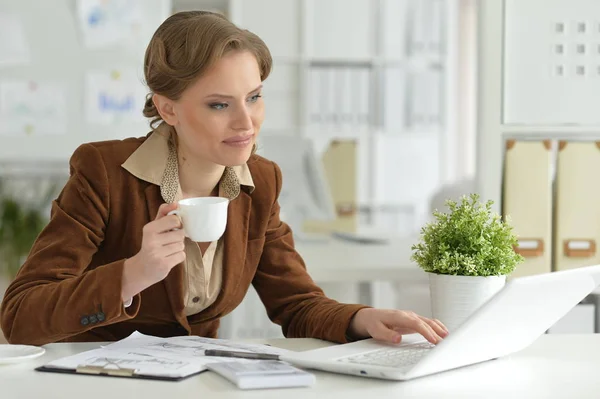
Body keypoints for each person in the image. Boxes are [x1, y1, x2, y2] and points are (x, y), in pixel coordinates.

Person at [0, 11, 447, 346]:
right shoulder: (104, 173)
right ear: (168, 108)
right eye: (219, 104)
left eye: (253, 97)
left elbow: (295, 303)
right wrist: (132, 274)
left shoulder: (261, 181)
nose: (246, 123)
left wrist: (363, 319)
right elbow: (19, 317)